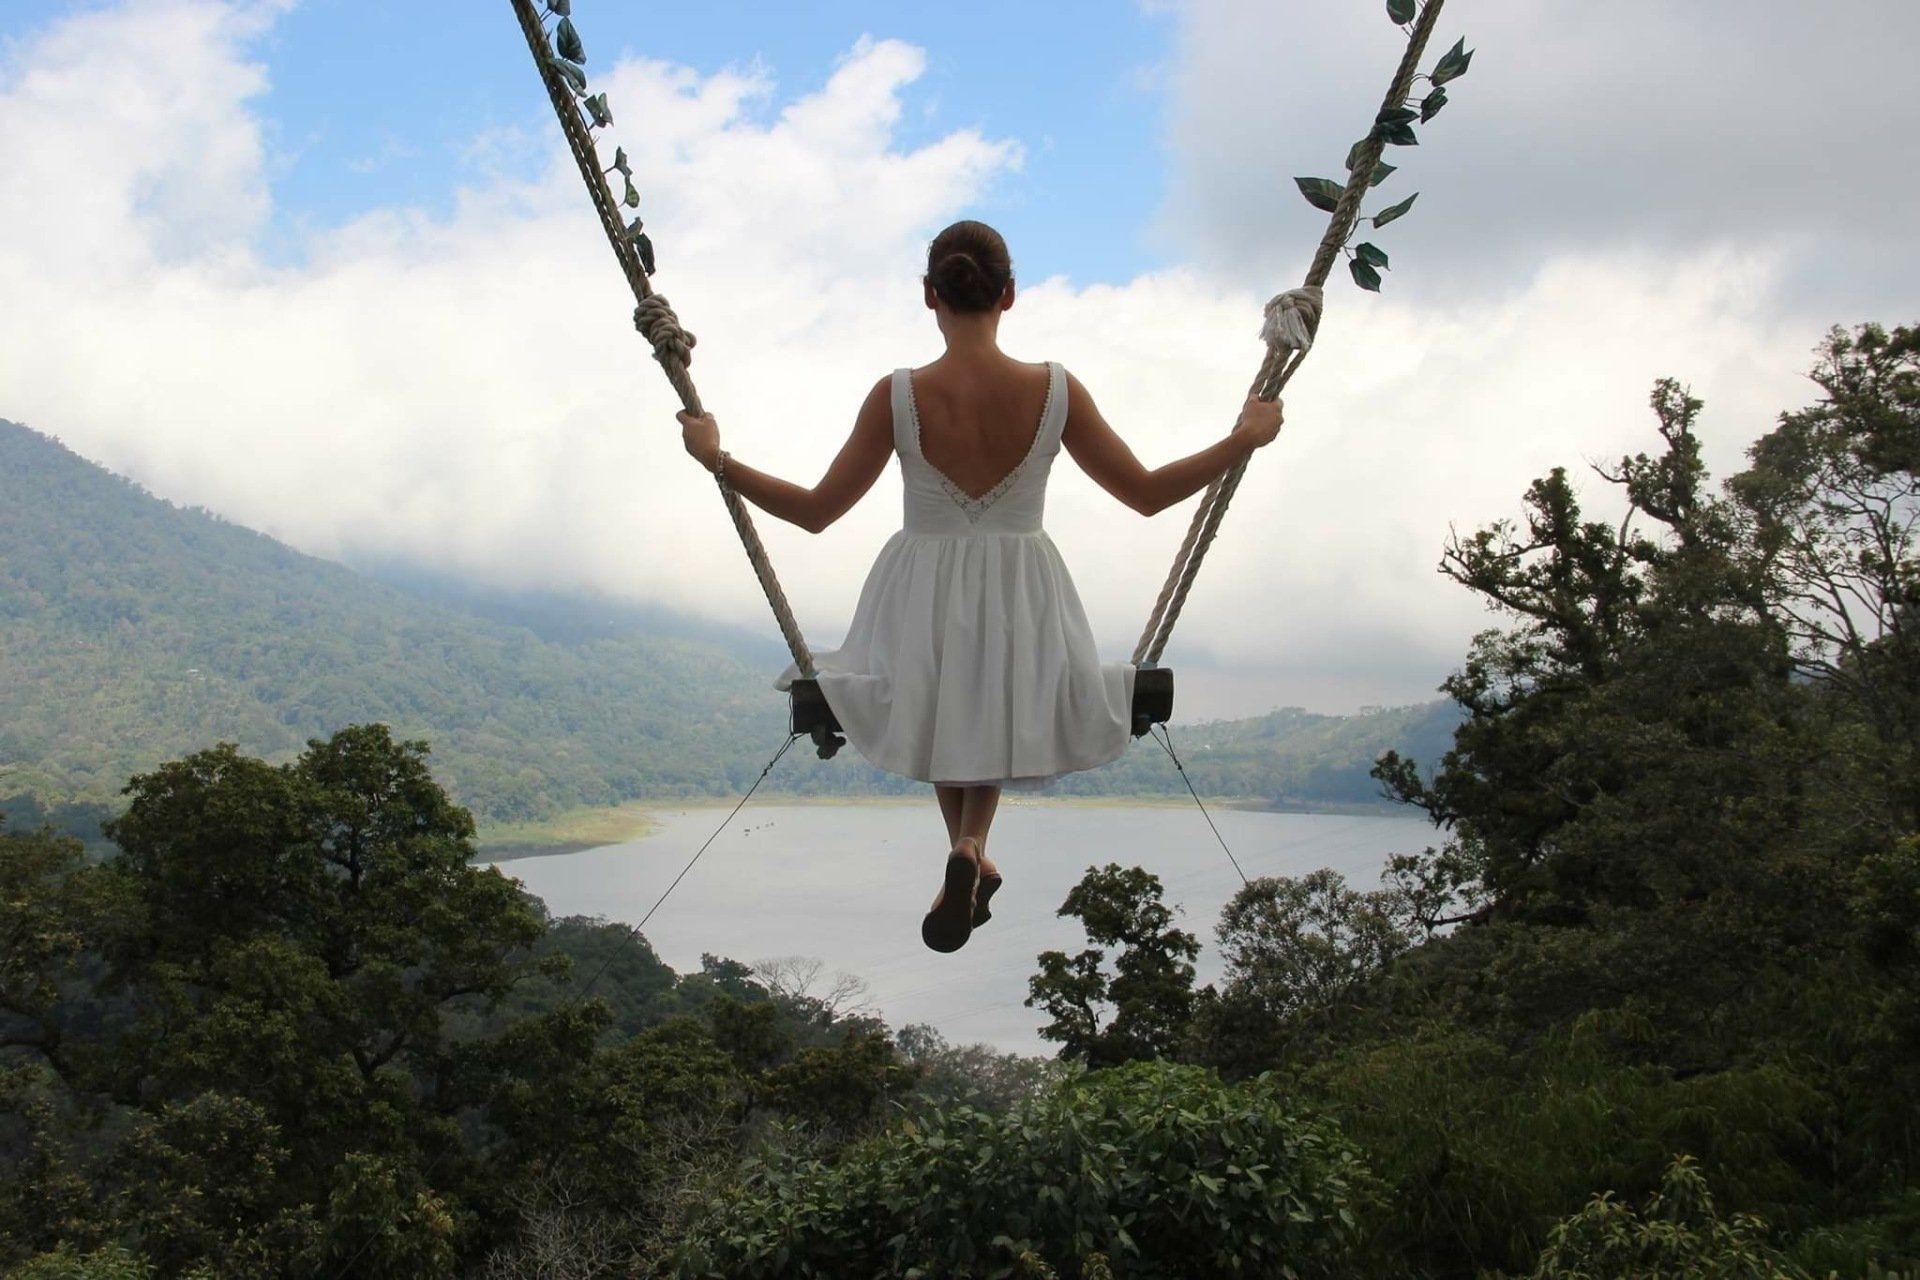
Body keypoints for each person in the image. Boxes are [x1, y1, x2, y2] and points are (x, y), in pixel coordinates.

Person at [677, 219, 1283, 952]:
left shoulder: (897, 395)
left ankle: (968, 851)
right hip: (1022, 582)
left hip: (920, 582)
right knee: (989, 698)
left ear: (929, 295)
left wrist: (717, 459)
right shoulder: (1055, 389)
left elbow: (815, 511)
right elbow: (1148, 494)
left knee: (945, 701)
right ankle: (970, 846)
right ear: (1010, 295)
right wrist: (1243, 438)